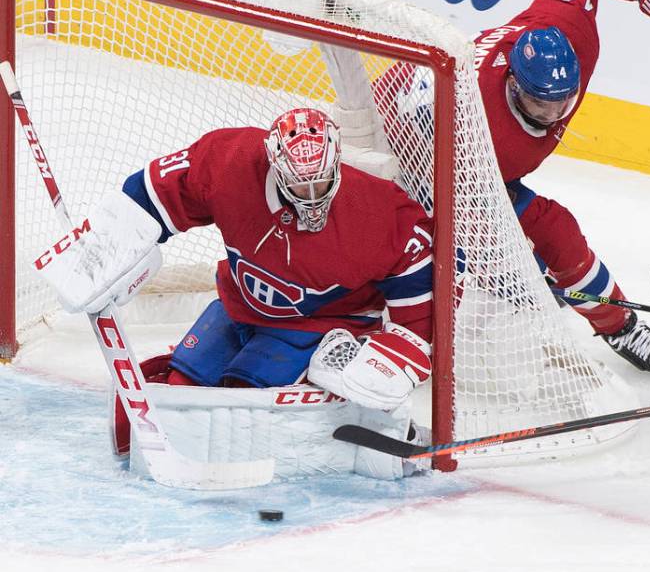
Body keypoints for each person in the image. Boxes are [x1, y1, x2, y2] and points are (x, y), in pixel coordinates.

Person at [38, 108, 435, 459]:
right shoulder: (230, 162)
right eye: (299, 185)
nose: (312, 197)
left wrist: (403, 344)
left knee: (241, 403)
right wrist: (110, 241)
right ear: (275, 166)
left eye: (321, 181)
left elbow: (422, 263)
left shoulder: (376, 209)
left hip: (321, 323)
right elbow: (157, 192)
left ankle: (382, 425)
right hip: (238, 308)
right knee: (179, 387)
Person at [470, 0, 650, 372]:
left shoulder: (568, 29)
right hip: (437, 158)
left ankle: (611, 320)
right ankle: (615, 323)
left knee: (546, 245)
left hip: (485, 164)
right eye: (540, 105)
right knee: (546, 234)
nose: (552, 115)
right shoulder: (474, 114)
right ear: (513, 84)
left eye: (562, 104)